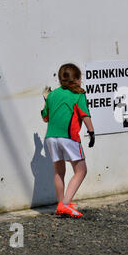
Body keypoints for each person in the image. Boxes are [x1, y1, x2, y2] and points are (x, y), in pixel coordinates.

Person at [41, 63, 95, 217]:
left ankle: (61, 204)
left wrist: (45, 101)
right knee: (81, 170)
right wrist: (91, 132)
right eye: (80, 78)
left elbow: (45, 117)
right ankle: (65, 204)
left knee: (58, 171)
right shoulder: (79, 94)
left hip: (50, 137)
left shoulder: (52, 95)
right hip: (69, 137)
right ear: (77, 79)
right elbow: (84, 114)